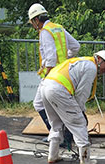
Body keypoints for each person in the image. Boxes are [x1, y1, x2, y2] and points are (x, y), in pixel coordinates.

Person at [40, 50, 105, 164]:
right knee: (79, 123)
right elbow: (82, 93)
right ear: (100, 59)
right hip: (58, 90)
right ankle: (85, 160)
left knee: (56, 123)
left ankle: (52, 155)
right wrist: (80, 112)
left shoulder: (83, 61)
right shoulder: (91, 68)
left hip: (45, 87)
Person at [28, 3, 80, 144]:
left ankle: (57, 137)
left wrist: (48, 77)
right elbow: (76, 46)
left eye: (32, 22)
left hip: (52, 76)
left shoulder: (45, 32)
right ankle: (63, 136)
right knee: (58, 106)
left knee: (39, 104)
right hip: (64, 74)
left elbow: (50, 58)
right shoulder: (58, 28)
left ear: (36, 20)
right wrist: (65, 60)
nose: (33, 25)